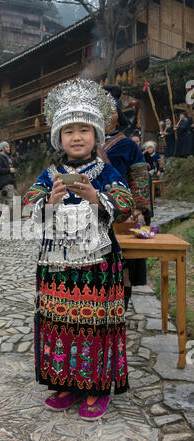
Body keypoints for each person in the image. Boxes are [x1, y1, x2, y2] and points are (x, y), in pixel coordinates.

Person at [23, 78, 134, 421]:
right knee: (59, 322)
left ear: (96, 135)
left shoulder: (104, 171)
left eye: (84, 129)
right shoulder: (50, 173)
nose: (76, 136)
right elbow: (28, 202)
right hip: (58, 268)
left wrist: (95, 197)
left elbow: (125, 201)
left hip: (98, 267)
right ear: (59, 137)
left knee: (95, 324)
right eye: (68, 130)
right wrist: (47, 201)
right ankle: (66, 381)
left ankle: (96, 387)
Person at [102, 85, 151, 310]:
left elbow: (140, 176)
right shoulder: (83, 142)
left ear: (118, 115)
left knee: (123, 261)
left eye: (111, 110)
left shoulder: (128, 145)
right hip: (92, 212)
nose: (106, 115)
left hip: (121, 211)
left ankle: (120, 305)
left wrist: (138, 208)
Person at [0, 141, 16, 209]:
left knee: (10, 205)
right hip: (6, 184)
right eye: (7, 147)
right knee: (10, 206)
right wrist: (9, 170)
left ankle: (5, 219)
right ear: (2, 148)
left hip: (10, 184)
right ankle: (7, 219)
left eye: (9, 147)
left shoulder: (6, 158)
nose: (9, 148)